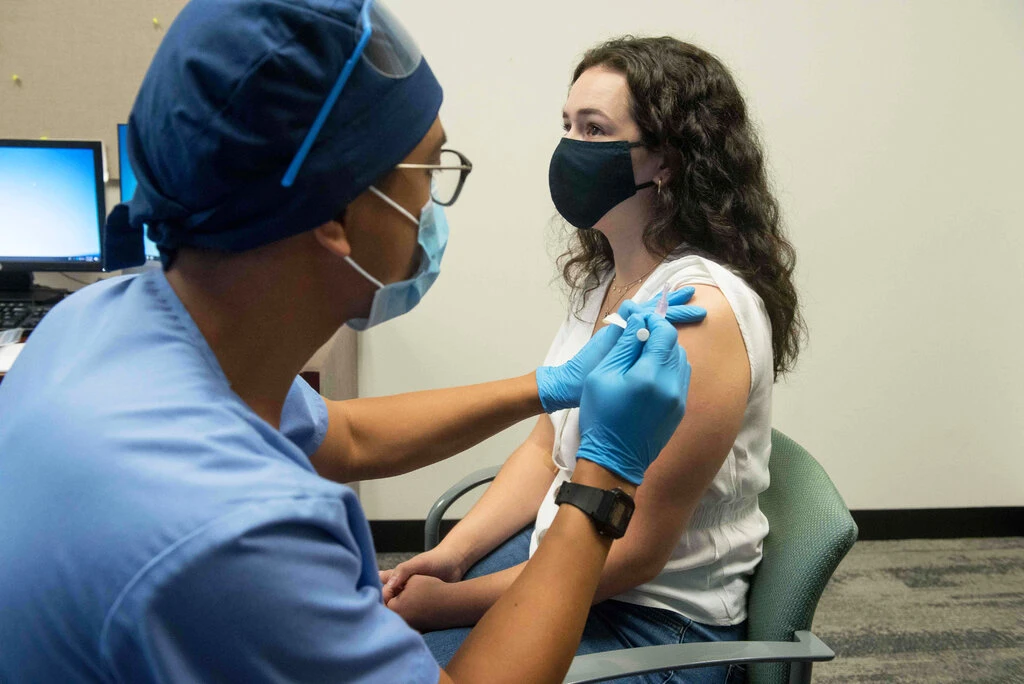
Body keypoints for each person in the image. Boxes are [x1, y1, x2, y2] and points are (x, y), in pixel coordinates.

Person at [0, 3, 708, 683]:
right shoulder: (237, 535)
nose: (432, 205)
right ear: (338, 213)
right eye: (428, 172)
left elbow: (347, 438)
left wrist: (546, 387)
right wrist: (604, 478)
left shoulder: (97, 321)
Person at [380, 36, 804, 684]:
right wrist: (451, 556)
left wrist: (447, 604)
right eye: (567, 125)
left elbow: (632, 554)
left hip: (651, 620)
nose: (571, 147)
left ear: (666, 158)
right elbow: (546, 441)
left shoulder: (702, 313)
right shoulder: (609, 274)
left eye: (595, 129)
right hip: (565, 557)